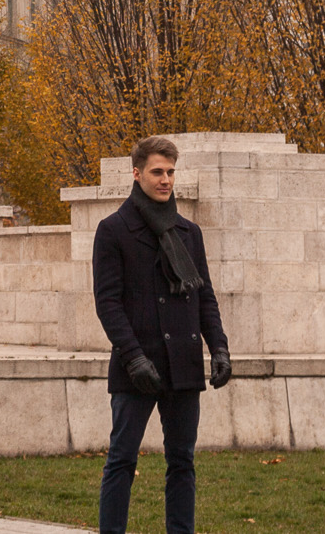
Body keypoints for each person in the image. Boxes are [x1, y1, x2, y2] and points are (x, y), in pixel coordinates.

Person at [92, 135, 231, 534]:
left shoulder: (189, 233)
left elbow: (204, 298)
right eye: (157, 171)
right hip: (138, 365)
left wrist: (218, 348)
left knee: (182, 461)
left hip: (183, 365)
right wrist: (134, 358)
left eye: (170, 171)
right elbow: (108, 303)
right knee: (122, 459)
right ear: (137, 174)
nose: (166, 179)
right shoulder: (113, 230)